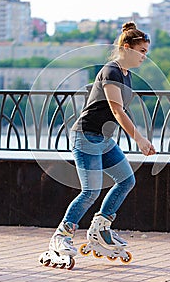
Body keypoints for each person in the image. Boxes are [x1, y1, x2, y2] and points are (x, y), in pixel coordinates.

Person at [48, 21, 156, 259]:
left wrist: (140, 137)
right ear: (127, 47)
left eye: (146, 52)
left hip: (104, 140)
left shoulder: (126, 75)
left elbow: (120, 113)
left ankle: (100, 228)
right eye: (142, 51)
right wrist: (139, 140)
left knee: (126, 180)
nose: (144, 57)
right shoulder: (111, 71)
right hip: (86, 136)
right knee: (90, 191)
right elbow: (117, 111)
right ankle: (61, 236)